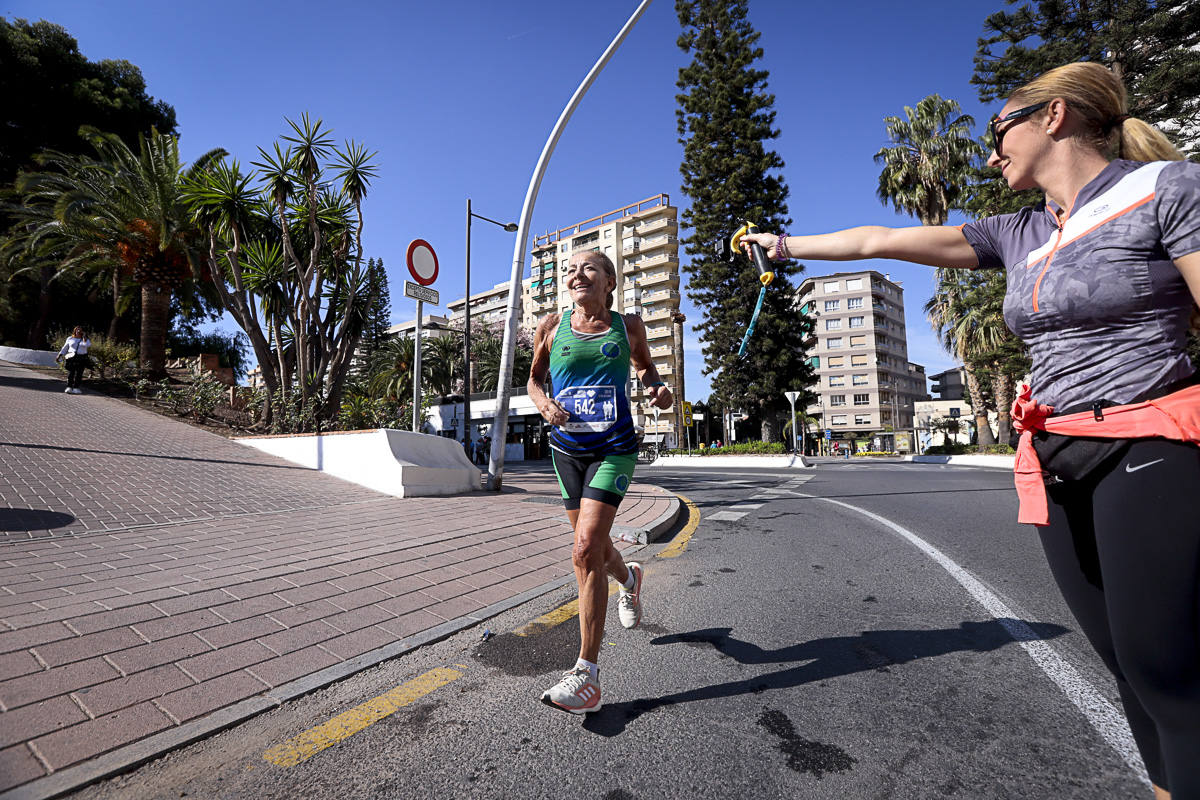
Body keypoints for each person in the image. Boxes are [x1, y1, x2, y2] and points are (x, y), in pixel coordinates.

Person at [740, 62, 1200, 799]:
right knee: (1122, 666)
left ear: (1054, 117)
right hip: (1053, 458)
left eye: (998, 131)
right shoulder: (1016, 232)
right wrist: (787, 246)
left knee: (1169, 673)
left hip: (1147, 443)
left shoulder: (1166, 191)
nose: (990, 153)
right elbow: (875, 241)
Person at [529, 250, 673, 714]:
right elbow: (533, 380)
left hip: (614, 448)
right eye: (570, 270)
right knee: (591, 547)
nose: (576, 274)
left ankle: (587, 675)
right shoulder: (551, 327)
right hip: (567, 450)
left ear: (610, 281)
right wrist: (544, 404)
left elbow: (645, 367)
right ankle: (631, 578)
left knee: (585, 545)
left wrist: (656, 386)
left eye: (588, 268)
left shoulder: (627, 327)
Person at [55, 326, 91, 394]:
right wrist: (59, 356)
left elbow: (87, 345)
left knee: (79, 374)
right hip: (71, 357)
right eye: (77, 329)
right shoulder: (70, 338)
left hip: (82, 358)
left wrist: (84, 337)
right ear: (75, 330)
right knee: (71, 372)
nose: (78, 331)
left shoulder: (85, 339)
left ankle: (76, 388)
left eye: (80, 330)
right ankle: (69, 387)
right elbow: (65, 348)